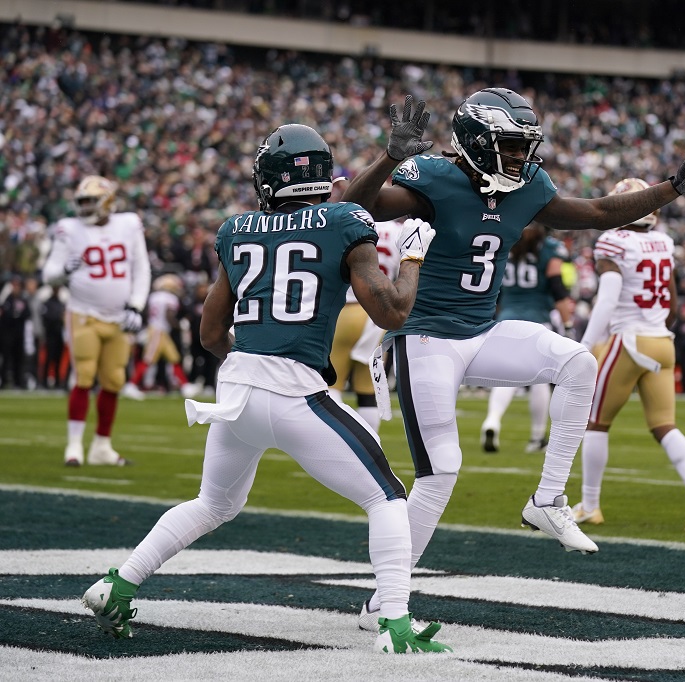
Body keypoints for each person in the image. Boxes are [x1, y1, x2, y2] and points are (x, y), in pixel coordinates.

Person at [343, 90, 685, 628]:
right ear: (476, 143)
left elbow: (597, 212)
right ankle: (384, 603)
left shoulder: (527, 189)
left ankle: (547, 498)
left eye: (526, 147)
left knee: (577, 363)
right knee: (441, 472)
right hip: (425, 338)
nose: (521, 158)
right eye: (511, 147)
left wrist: (675, 187)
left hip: (482, 329)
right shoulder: (432, 177)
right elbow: (354, 206)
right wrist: (389, 157)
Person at [80, 123, 451, 654]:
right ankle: (394, 623)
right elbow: (391, 310)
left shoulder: (237, 228)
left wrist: (254, 363)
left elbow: (210, 334)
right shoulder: (345, 219)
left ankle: (117, 585)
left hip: (235, 392)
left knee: (212, 503)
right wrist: (412, 259)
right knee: (388, 497)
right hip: (295, 392)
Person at [572, 177, 685, 532]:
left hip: (629, 341)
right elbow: (671, 302)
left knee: (596, 422)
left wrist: (584, 346)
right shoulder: (663, 242)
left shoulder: (613, 241)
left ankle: (590, 505)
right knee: (665, 426)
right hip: (661, 343)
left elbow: (606, 302)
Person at [42, 176, 151, 466]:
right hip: (83, 313)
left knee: (114, 380)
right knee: (84, 376)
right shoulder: (69, 229)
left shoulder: (128, 224)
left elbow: (142, 268)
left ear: (106, 202)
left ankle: (102, 446)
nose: (85, 208)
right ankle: (74, 446)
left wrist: (136, 307)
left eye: (90, 201)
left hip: (118, 318)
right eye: (82, 202)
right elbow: (49, 273)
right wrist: (64, 269)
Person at [480, 221, 574, 454]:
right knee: (540, 380)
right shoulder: (550, 247)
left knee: (504, 376)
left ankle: (492, 420)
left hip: (507, 320)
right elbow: (557, 287)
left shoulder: (507, 242)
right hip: (537, 321)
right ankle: (537, 437)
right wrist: (569, 325)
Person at [327, 216, 403, 433]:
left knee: (332, 385)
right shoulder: (399, 231)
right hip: (379, 316)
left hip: (347, 310)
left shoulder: (347, 222)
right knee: (369, 390)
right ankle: (371, 445)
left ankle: (337, 442)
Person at [124, 273, 196, 399]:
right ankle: (131, 385)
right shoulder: (170, 298)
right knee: (148, 359)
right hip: (158, 331)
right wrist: (179, 325)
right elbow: (169, 316)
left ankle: (185, 386)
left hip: (156, 329)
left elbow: (147, 313)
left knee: (173, 357)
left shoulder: (153, 296)